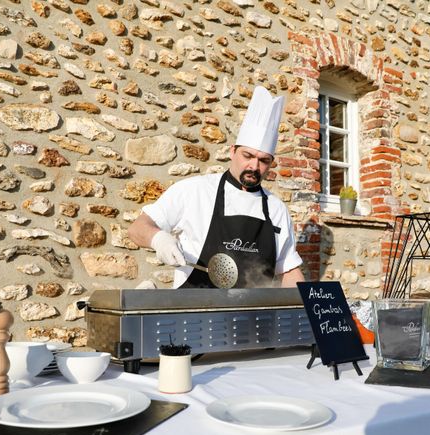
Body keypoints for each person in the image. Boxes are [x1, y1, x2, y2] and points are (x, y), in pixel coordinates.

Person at [128, 86, 305, 288]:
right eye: (247, 156)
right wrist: (158, 239)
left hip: (253, 316)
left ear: (271, 163)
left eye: (263, 160)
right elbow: (137, 228)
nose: (254, 166)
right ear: (232, 152)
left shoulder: (276, 208)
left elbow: (288, 270)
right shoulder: (194, 190)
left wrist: (309, 309)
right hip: (194, 313)